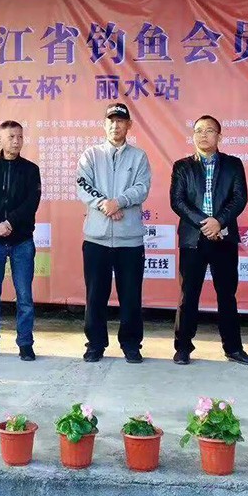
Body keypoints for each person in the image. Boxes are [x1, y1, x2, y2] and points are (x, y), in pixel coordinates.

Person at [170, 115, 248, 366]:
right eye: (198, 130)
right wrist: (205, 223)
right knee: (188, 295)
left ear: (219, 136)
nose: (203, 135)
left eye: (209, 130)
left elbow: (239, 198)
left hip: (224, 237)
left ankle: (234, 349)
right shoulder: (182, 166)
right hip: (193, 239)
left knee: (227, 295)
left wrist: (219, 221)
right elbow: (178, 201)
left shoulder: (233, 164)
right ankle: (183, 347)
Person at [75, 102, 151, 363]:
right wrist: (105, 204)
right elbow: (82, 185)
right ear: (104, 124)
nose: (115, 125)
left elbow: (142, 188)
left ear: (129, 125)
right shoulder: (91, 155)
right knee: (95, 296)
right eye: (111, 121)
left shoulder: (139, 157)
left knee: (130, 296)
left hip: (129, 241)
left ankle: (131, 345)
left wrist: (119, 202)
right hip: (96, 239)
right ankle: (95, 344)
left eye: (120, 121)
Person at [0, 120, 42, 361]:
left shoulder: (31, 170)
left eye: (20, 136)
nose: (16, 141)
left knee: (24, 297)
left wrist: (10, 222)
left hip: (22, 240)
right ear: (0, 140)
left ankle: (25, 343)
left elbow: (31, 202)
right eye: (11, 137)